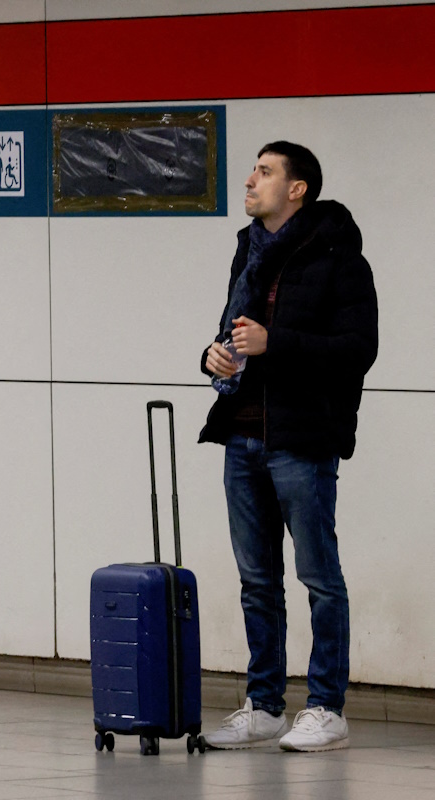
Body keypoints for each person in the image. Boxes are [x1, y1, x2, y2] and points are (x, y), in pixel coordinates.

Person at [198, 142, 377, 752]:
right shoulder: (250, 251)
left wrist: (279, 343)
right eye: (254, 169)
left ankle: (327, 706)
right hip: (241, 433)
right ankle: (265, 705)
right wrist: (214, 355)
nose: (250, 180)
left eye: (265, 172)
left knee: (319, 577)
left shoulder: (337, 255)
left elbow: (358, 350)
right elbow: (234, 332)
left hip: (301, 438)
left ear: (297, 189)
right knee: (256, 581)